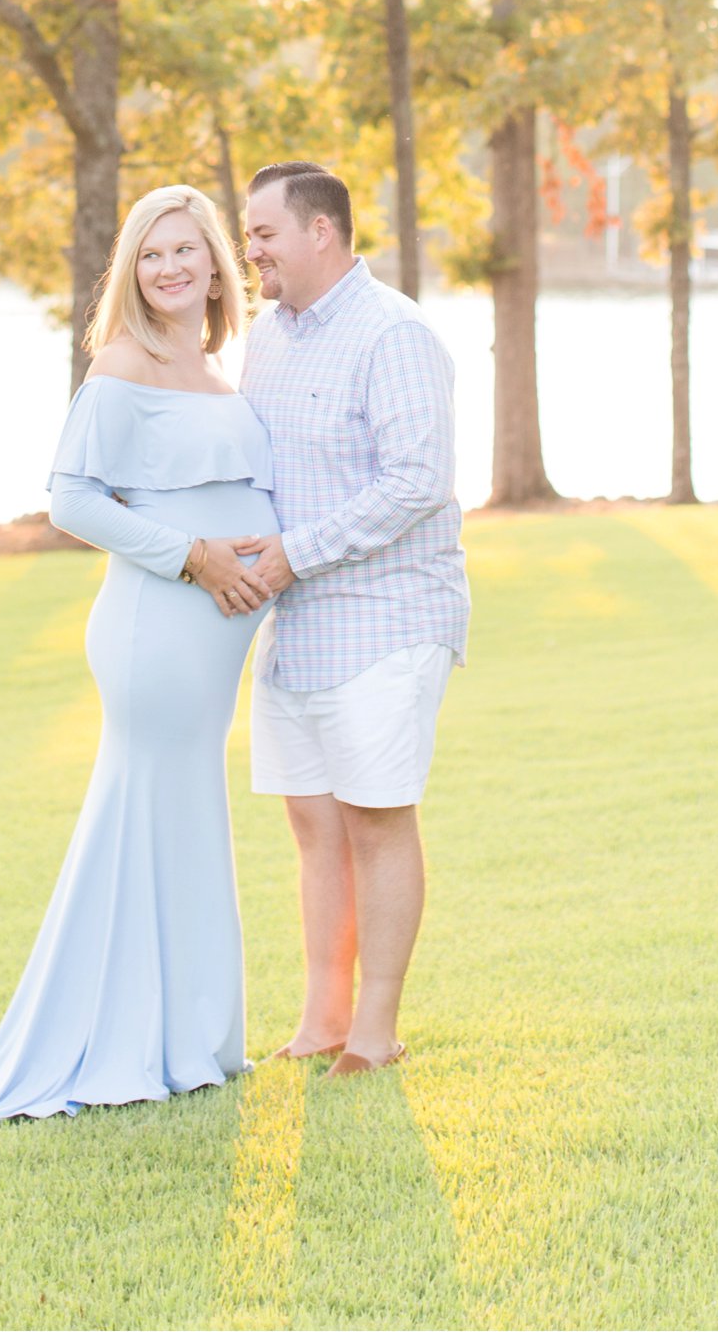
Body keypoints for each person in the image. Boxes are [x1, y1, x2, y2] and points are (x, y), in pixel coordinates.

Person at [0, 183, 275, 1133]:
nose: (171, 267)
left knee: (184, 816)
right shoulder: (123, 364)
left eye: (187, 249)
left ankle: (191, 1038)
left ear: (217, 262)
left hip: (212, 640)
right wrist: (196, 554)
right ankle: (130, 1039)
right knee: (147, 815)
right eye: (151, 253)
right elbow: (73, 501)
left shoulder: (217, 363)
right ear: (131, 270)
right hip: (158, 624)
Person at [232, 159, 468, 1078]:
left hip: (387, 617)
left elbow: (416, 481)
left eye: (262, 233)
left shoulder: (393, 333)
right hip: (296, 627)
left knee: (375, 818)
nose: (249, 250)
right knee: (312, 823)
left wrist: (294, 552)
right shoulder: (266, 337)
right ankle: (322, 1016)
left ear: (319, 231)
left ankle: (376, 1028)